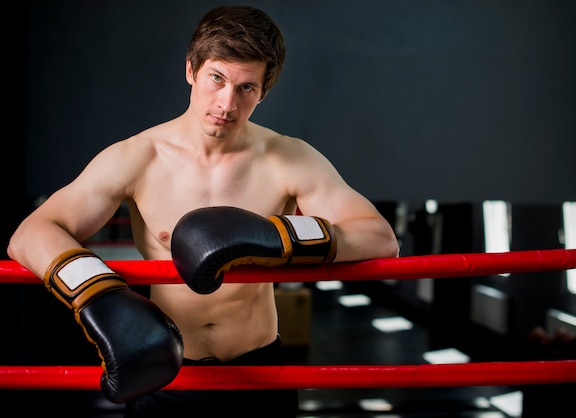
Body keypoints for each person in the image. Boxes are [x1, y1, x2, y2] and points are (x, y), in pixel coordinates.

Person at [7, 4, 399, 417]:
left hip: (259, 373)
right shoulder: (139, 158)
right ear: (191, 70)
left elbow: (380, 238)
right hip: (167, 374)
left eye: (246, 87)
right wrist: (98, 295)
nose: (226, 103)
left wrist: (276, 236)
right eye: (217, 78)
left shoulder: (288, 158)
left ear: (263, 91)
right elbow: (30, 234)